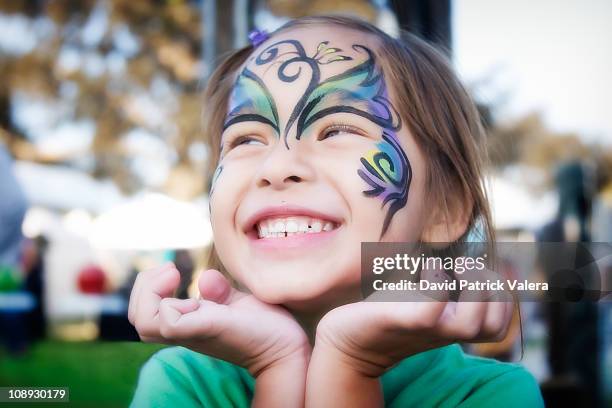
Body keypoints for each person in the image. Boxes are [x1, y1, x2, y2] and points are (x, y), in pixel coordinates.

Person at [128, 15, 543, 407]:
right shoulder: (181, 384)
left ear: (445, 208)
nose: (277, 167)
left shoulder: (491, 395)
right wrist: (277, 363)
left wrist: (350, 366)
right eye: (245, 139)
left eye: (338, 129)